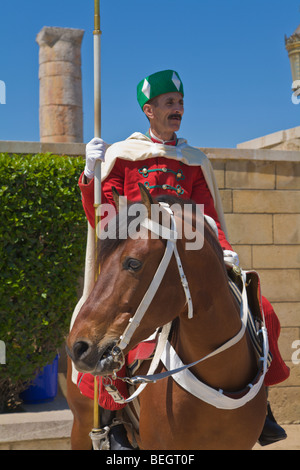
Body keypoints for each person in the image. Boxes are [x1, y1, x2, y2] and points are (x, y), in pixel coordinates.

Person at [76, 70, 289, 448]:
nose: (178, 109)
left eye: (180, 102)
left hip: (189, 260)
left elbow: (207, 214)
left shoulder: (193, 160)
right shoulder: (124, 157)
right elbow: (105, 220)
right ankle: (112, 420)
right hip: (143, 259)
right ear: (149, 110)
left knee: (264, 310)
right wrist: (91, 174)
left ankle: (262, 402)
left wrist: (225, 250)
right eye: (169, 103)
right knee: (122, 334)